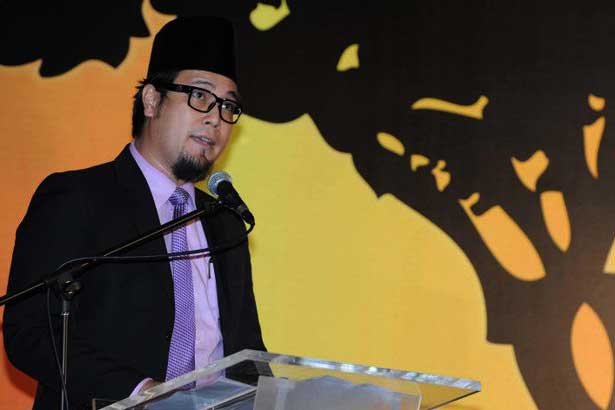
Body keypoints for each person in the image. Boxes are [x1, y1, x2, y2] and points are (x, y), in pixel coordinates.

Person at [2, 16, 266, 410]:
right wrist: (144, 392)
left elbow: (246, 351)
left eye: (229, 105)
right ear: (152, 100)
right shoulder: (77, 198)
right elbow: (30, 332)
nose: (216, 117)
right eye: (199, 95)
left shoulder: (225, 221)